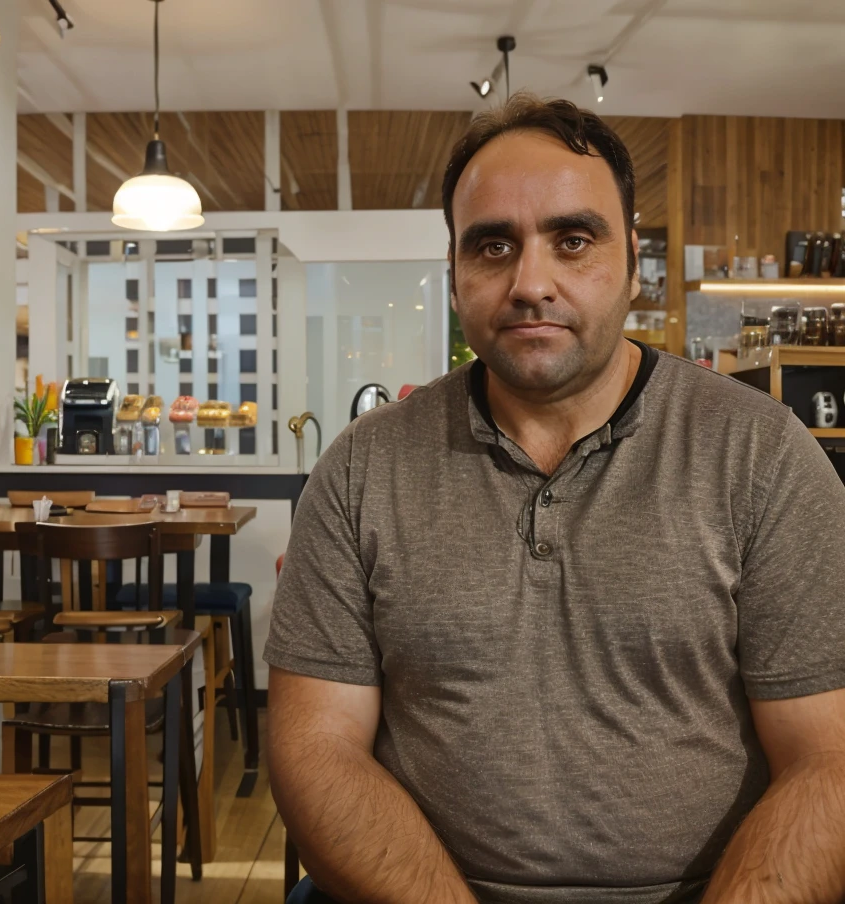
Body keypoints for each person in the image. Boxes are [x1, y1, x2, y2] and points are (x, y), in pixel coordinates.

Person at [263, 92, 845, 904]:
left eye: (573, 240)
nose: (530, 282)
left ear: (632, 260)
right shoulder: (362, 469)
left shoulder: (764, 456)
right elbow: (313, 745)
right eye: (494, 245)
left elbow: (829, 762)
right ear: (456, 273)